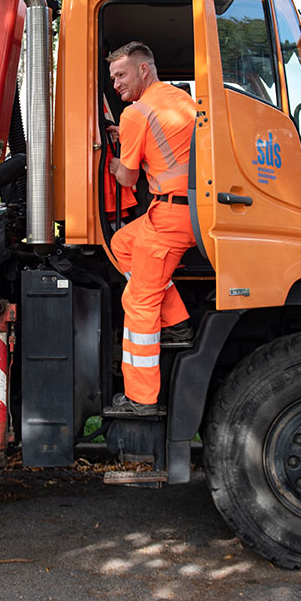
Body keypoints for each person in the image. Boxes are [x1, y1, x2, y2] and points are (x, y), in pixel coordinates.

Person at [103, 42, 197, 417]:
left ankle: (141, 399)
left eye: (121, 75)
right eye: (112, 78)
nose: (116, 85)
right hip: (186, 211)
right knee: (122, 242)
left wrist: (112, 164)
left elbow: (127, 177)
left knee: (138, 302)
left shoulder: (135, 114)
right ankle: (177, 323)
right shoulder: (180, 101)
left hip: (171, 218)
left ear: (144, 70)